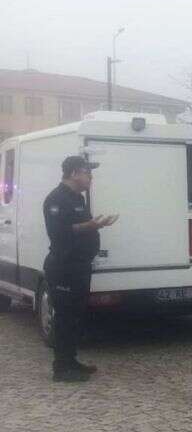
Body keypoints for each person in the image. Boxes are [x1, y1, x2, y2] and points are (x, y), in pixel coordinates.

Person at [43, 155, 116, 382]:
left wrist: (94, 227)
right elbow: (58, 232)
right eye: (87, 172)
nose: (90, 177)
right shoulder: (56, 199)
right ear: (74, 173)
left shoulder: (78, 198)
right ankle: (61, 368)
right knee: (64, 316)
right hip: (64, 266)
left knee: (75, 316)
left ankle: (71, 360)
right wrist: (92, 225)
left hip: (79, 266)